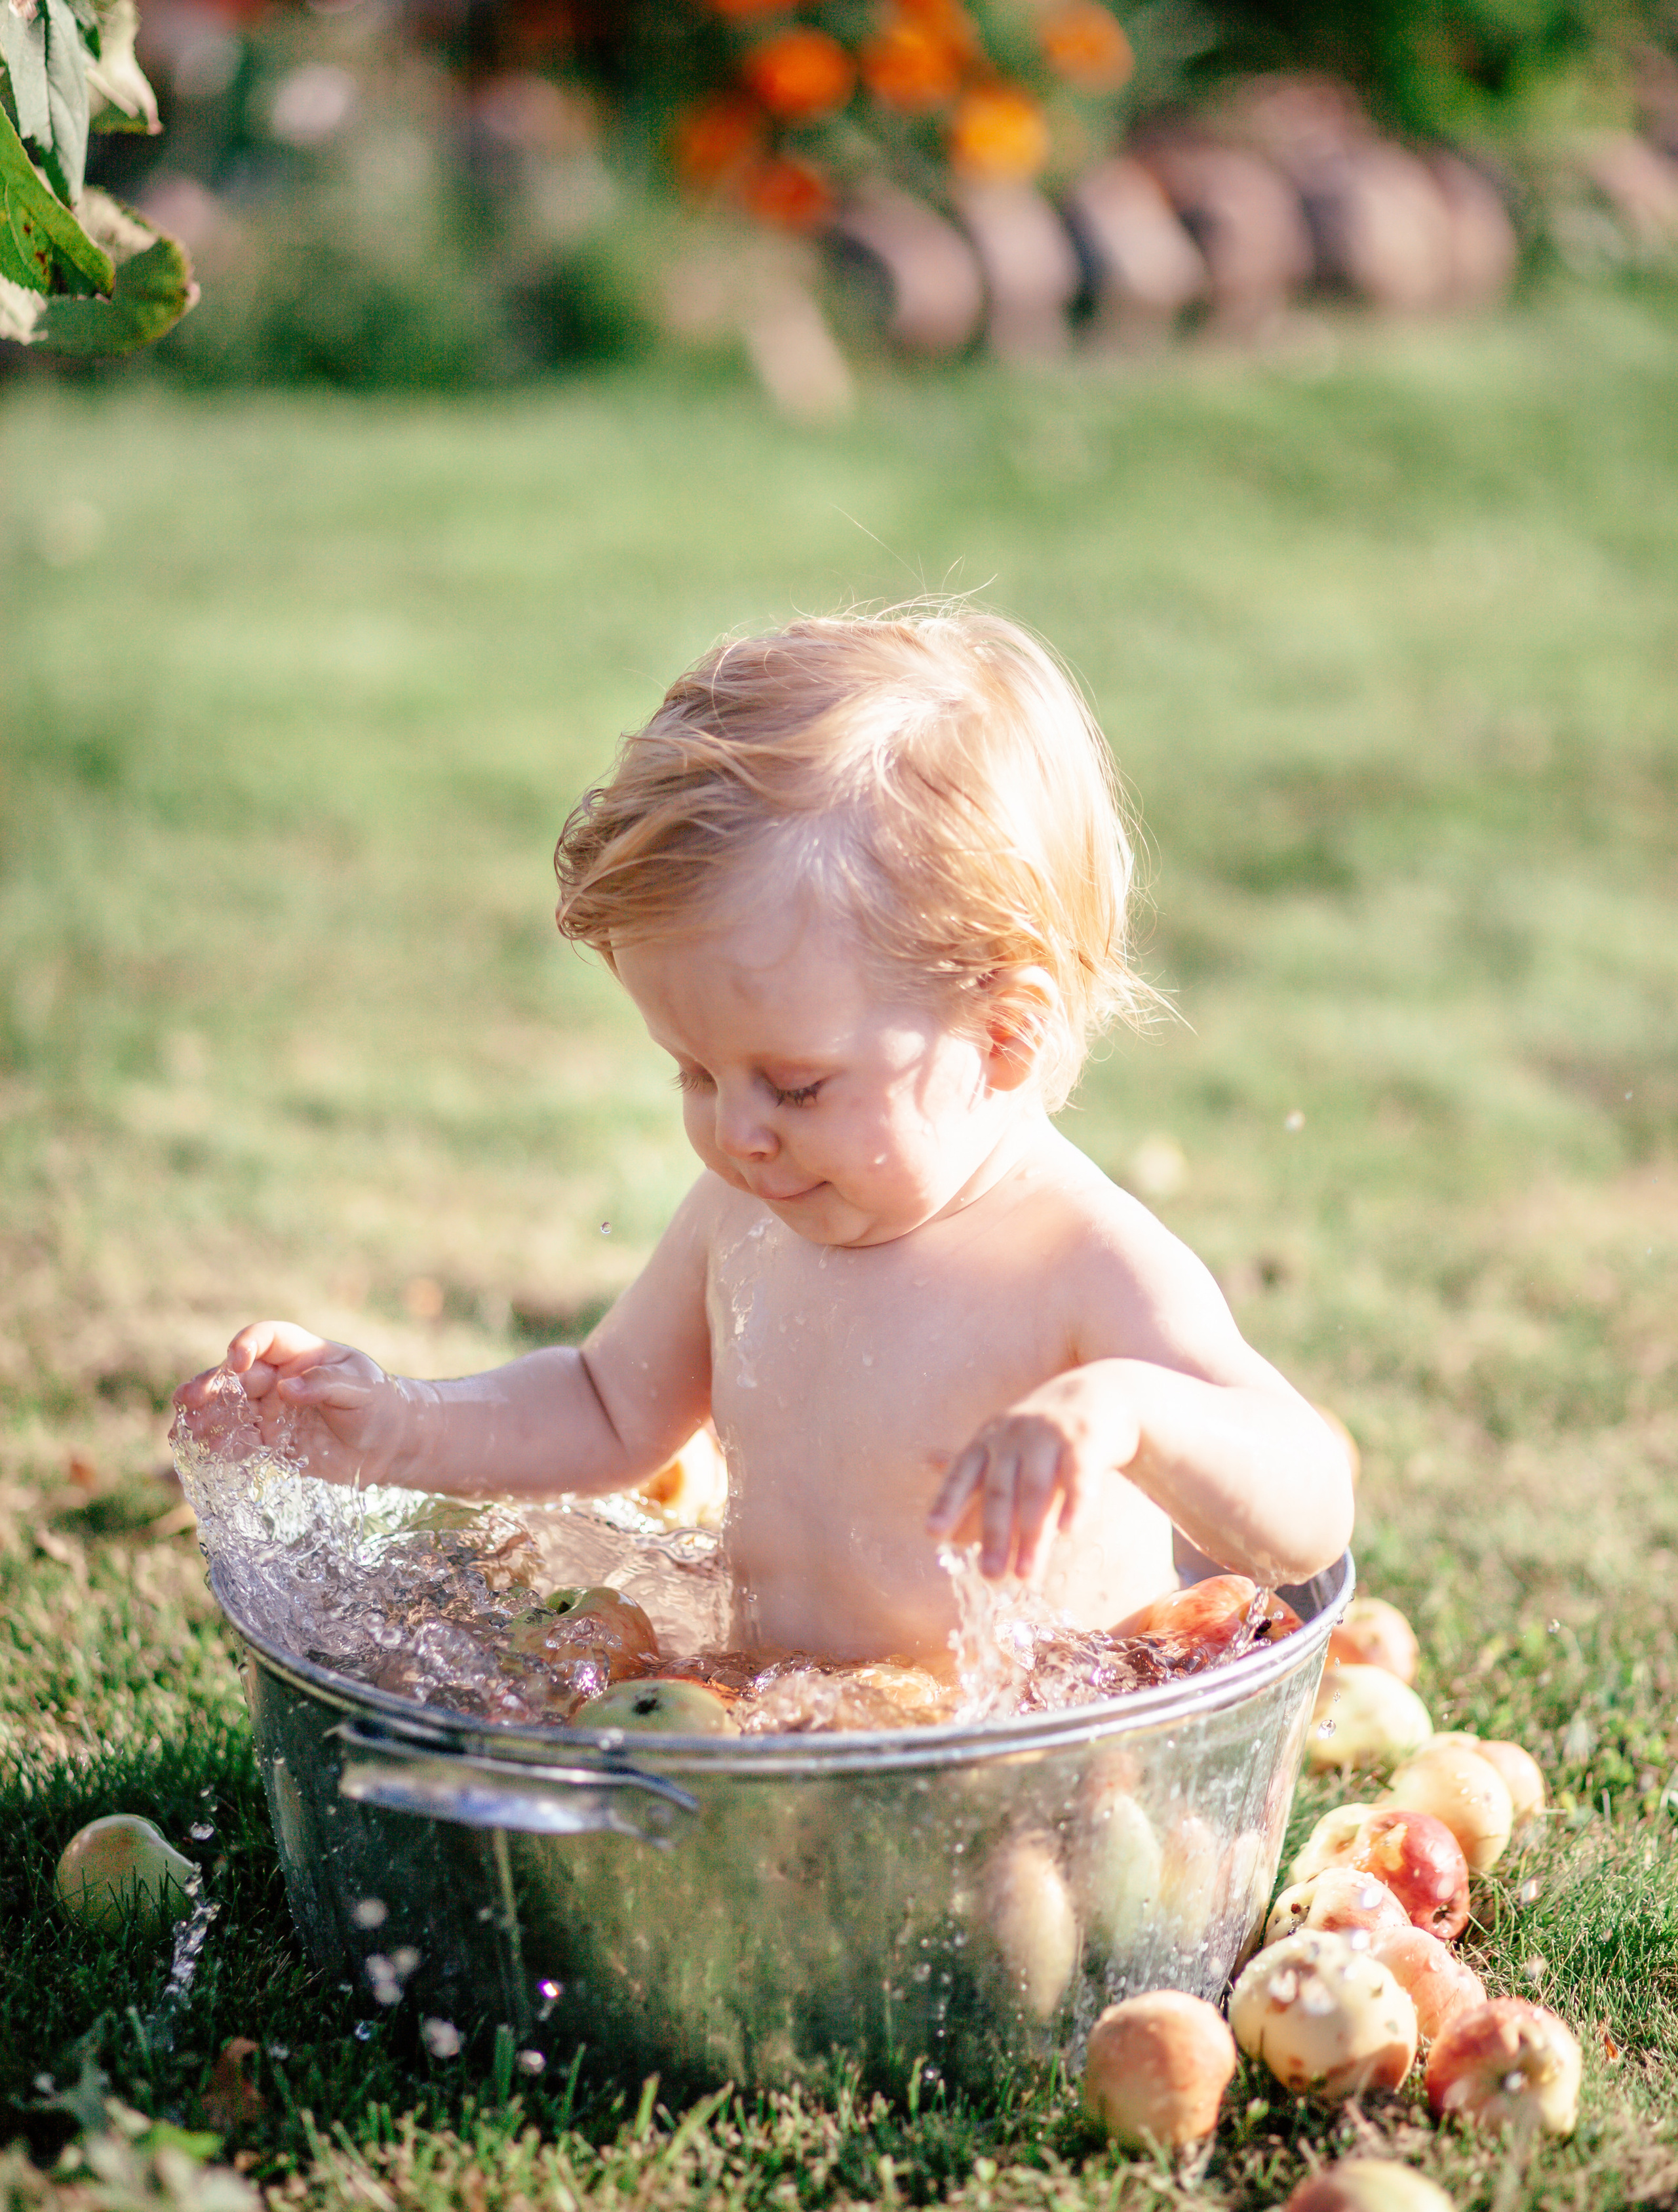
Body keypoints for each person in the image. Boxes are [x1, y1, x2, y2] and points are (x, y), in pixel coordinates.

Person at [176, 608, 1353, 1667]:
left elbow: (1306, 1515)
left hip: (1025, 1760)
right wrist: (396, 1425)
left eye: (793, 1087)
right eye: (692, 1071)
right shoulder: (745, 1216)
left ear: (1001, 1035)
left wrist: (1134, 1414)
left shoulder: (1082, 1266)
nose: (736, 1135)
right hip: (785, 1731)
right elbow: (603, 1409)